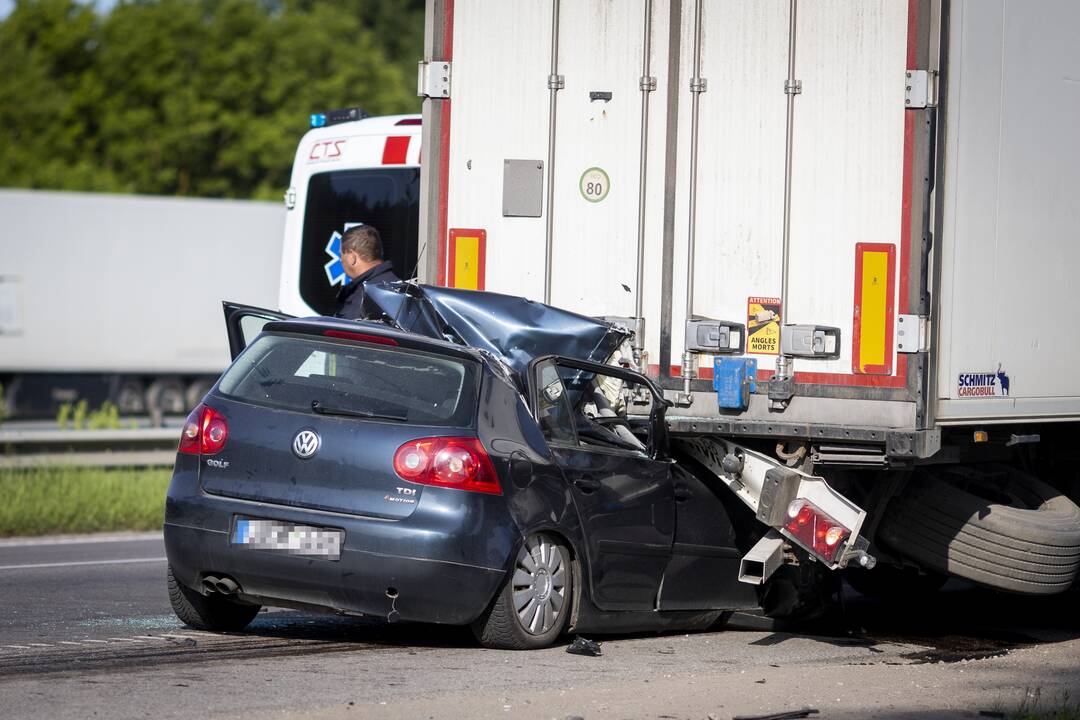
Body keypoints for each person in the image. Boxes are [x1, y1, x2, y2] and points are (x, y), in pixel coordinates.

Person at [334, 224, 401, 319]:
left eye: (341, 255)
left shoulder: (362, 300)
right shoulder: (398, 288)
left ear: (352, 258)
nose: (341, 261)